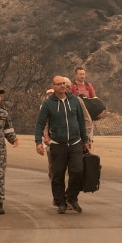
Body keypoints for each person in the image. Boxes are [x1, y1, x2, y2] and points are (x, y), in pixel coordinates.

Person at [34, 75, 90, 214]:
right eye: (59, 84)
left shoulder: (75, 101)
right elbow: (40, 123)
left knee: (78, 171)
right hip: (58, 144)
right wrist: (38, 142)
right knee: (57, 174)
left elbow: (81, 122)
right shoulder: (48, 104)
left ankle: (71, 197)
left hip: (75, 142)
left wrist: (86, 140)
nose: (62, 86)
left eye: (63, 83)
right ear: (53, 86)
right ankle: (60, 202)